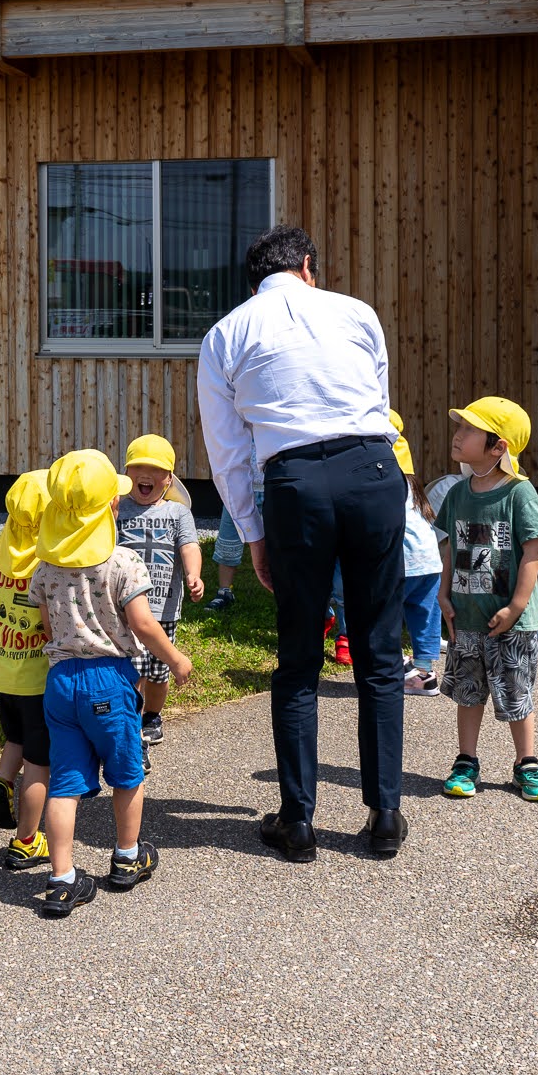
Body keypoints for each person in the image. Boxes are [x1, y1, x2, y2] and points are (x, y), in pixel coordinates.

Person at [197, 225, 408, 861]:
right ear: (308, 267)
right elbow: (379, 402)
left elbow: (228, 454)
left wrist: (253, 533)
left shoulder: (226, 334)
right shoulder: (358, 312)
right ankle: (385, 816)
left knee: (298, 659)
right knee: (378, 652)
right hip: (373, 469)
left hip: (294, 484)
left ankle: (299, 821)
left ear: (252, 279)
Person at [30, 449, 193, 916]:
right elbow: (142, 624)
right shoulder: (123, 563)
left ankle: (62, 878)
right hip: (110, 680)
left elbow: (45, 625)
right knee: (127, 772)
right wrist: (176, 659)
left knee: (64, 782)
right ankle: (126, 857)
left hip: (60, 681)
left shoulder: (45, 567)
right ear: (111, 508)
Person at [435, 398, 538, 805]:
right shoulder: (457, 493)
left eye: (469, 430)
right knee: (468, 692)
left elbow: (533, 550)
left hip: (510, 622)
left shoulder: (520, 494)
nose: (458, 434)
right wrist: (444, 593)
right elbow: (451, 546)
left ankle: (527, 764)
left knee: (516, 692)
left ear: (498, 447)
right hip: (467, 617)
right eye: (460, 427)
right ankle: (466, 761)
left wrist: (518, 605)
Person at [0, 471, 54, 870]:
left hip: (3, 672)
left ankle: (2, 782)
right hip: (38, 677)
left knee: (15, 737)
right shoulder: (47, 553)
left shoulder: (9, 541)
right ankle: (27, 840)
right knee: (40, 763)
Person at [114, 433, 202, 755]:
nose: (146, 474)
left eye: (156, 469)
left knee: (159, 671)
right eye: (138, 467)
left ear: (168, 479)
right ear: (127, 474)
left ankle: (153, 715)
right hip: (125, 610)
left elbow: (189, 546)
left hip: (163, 610)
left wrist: (193, 573)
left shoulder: (179, 514)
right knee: (131, 669)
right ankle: (131, 722)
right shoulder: (118, 509)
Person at [393, 410, 446, 696]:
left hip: (402, 563)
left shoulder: (385, 481)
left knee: (379, 616)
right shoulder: (412, 484)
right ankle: (424, 675)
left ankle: (397, 665)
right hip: (429, 562)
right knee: (424, 617)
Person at [205, 451, 261, 613]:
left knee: (281, 546)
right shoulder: (239, 425)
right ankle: (224, 591)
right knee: (228, 540)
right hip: (238, 489)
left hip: (272, 486)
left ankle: (286, 592)